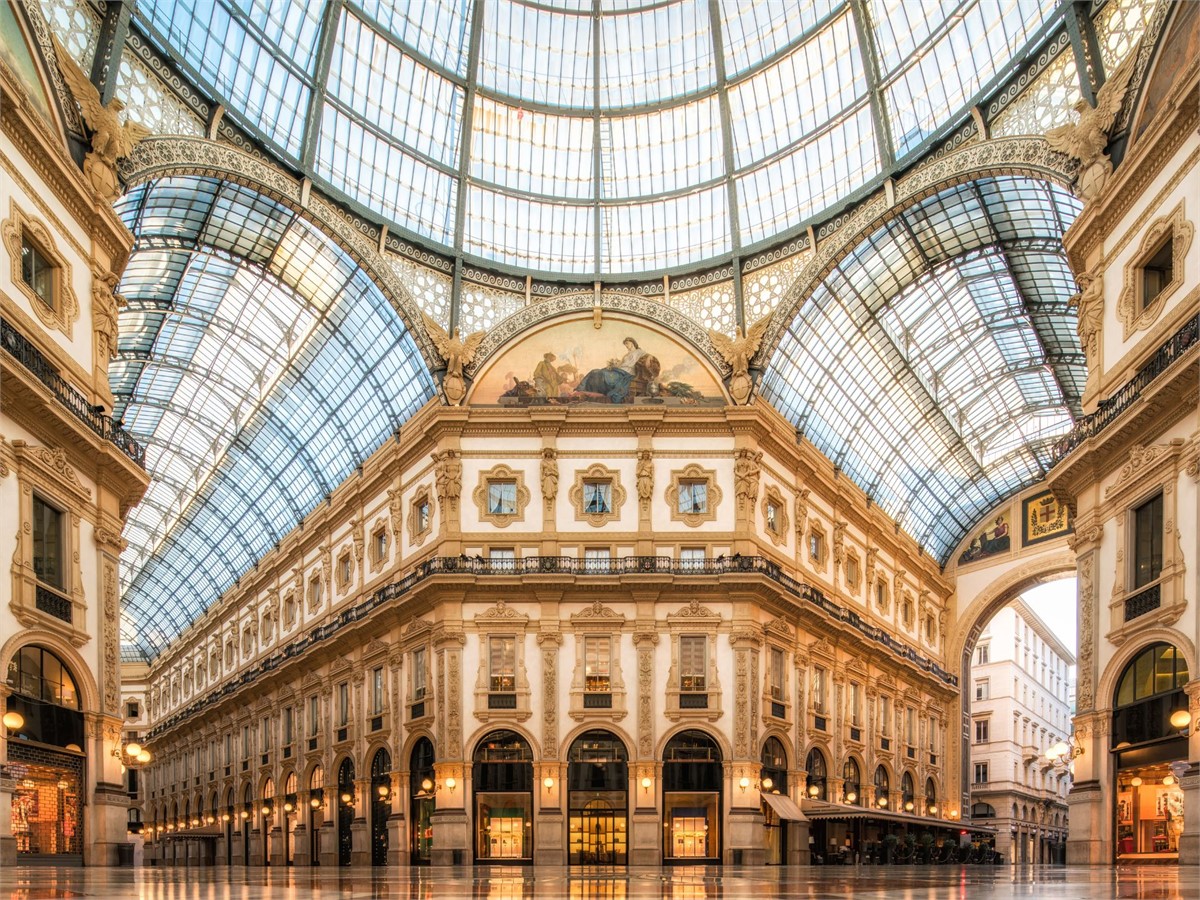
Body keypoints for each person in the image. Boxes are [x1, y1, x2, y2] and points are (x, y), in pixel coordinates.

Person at [576, 337, 650, 403]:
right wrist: (613, 365)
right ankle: (580, 388)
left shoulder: (639, 352)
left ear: (632, 343)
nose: (626, 346)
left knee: (603, 374)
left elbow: (648, 358)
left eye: (627, 344)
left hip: (627, 373)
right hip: (620, 370)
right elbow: (621, 364)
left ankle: (589, 389)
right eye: (625, 345)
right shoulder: (627, 354)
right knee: (595, 371)